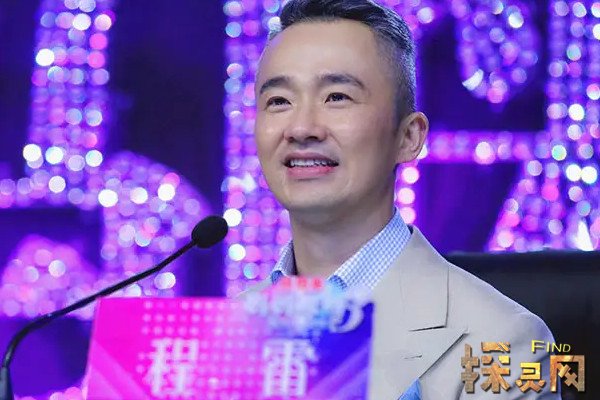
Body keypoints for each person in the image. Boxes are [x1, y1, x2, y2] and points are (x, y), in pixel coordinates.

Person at [249, 0, 558, 398]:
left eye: (337, 97)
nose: (301, 128)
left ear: (409, 136)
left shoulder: (504, 341)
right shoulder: (222, 337)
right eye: (279, 101)